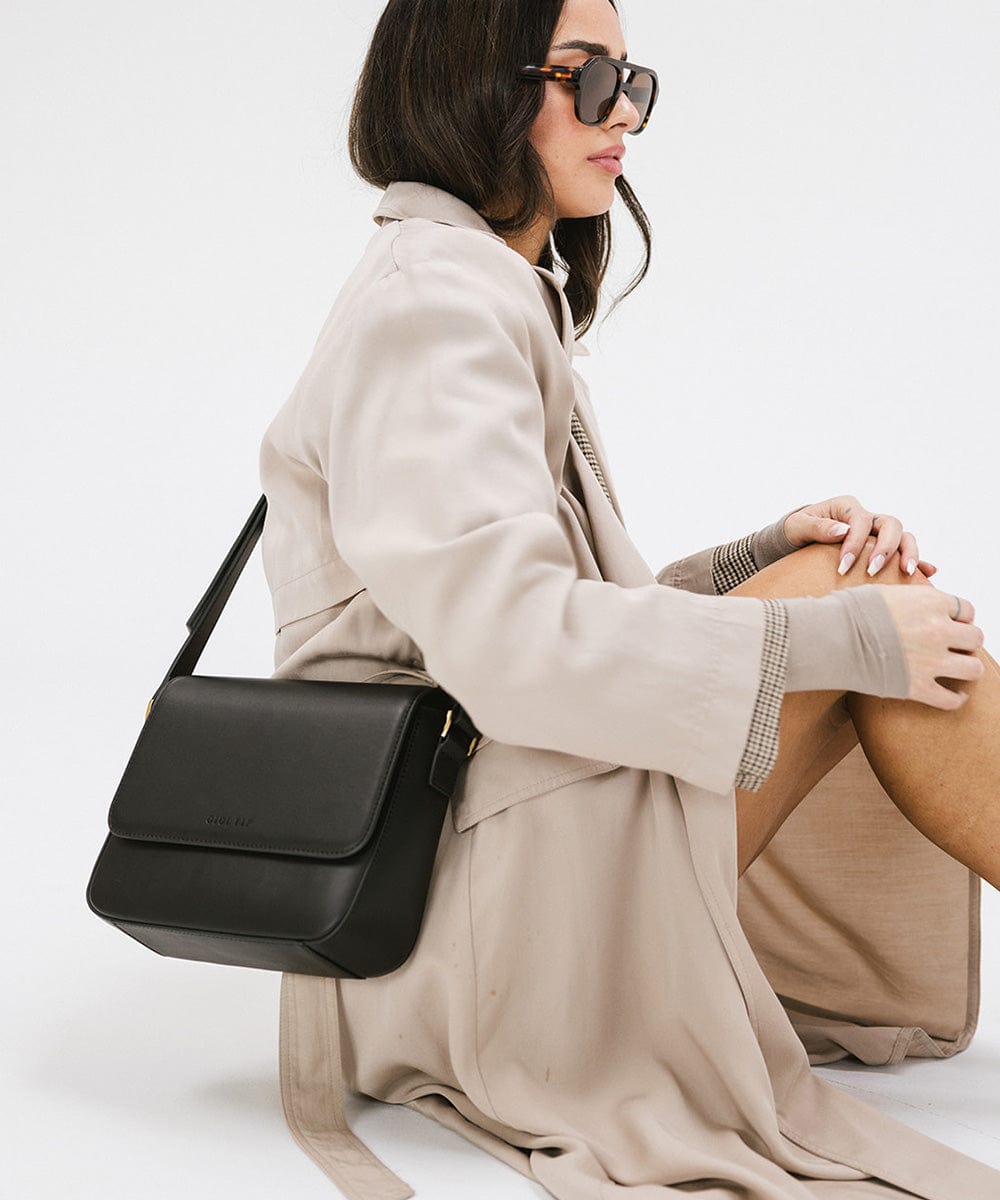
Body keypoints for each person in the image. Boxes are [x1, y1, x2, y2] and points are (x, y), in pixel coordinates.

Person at [259, 0, 1000, 1196]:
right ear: (469, 82)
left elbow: (547, 612)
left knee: (835, 586)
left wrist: (763, 556)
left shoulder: (472, 284)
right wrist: (838, 627)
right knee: (849, 604)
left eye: (630, 78)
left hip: (478, 837)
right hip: (444, 907)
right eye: (585, 76)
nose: (624, 114)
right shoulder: (431, 306)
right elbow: (515, 651)